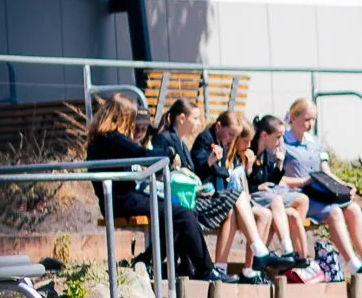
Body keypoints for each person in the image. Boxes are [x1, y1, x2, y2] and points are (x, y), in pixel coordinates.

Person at [86, 94, 212, 282]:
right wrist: (169, 153)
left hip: (121, 197)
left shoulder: (102, 139)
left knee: (182, 214)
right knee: (182, 215)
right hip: (121, 200)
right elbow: (142, 153)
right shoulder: (112, 139)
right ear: (122, 116)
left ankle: (146, 261)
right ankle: (205, 270)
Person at [281, 97, 362, 282]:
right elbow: (277, 177)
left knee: (353, 209)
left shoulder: (314, 142)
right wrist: (302, 181)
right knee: (334, 212)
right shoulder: (283, 142)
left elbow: (325, 170)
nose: (311, 124)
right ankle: (355, 266)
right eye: (307, 119)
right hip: (301, 197)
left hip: (319, 193)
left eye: (314, 119)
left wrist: (342, 185)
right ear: (293, 117)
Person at [191, 108, 294, 278]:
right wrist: (212, 160)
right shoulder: (207, 140)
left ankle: (250, 269)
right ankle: (257, 252)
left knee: (264, 215)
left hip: (223, 198)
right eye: (232, 136)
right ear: (219, 126)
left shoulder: (225, 144)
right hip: (206, 198)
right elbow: (200, 170)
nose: (231, 140)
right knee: (237, 199)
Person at [245, 116, 323, 276]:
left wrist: (279, 165)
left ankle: (299, 256)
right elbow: (247, 182)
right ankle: (287, 250)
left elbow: (271, 180)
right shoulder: (250, 151)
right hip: (254, 197)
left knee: (297, 206)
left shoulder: (267, 154)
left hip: (266, 195)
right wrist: (256, 181)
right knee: (276, 200)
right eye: (278, 137)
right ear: (265, 136)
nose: (281, 142)